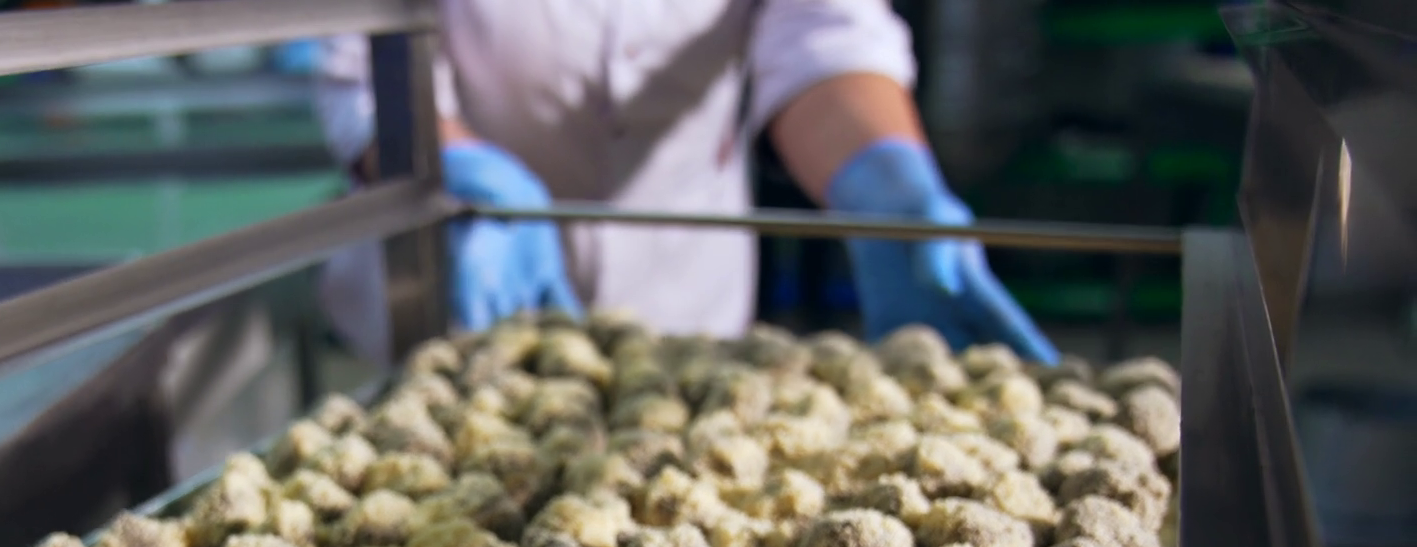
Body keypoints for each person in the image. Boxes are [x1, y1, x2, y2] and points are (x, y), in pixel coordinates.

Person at [308, 2, 1058, 365]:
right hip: (467, 274)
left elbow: (823, 35)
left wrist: (884, 185)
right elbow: (360, 65)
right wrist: (464, 171)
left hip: (684, 292)